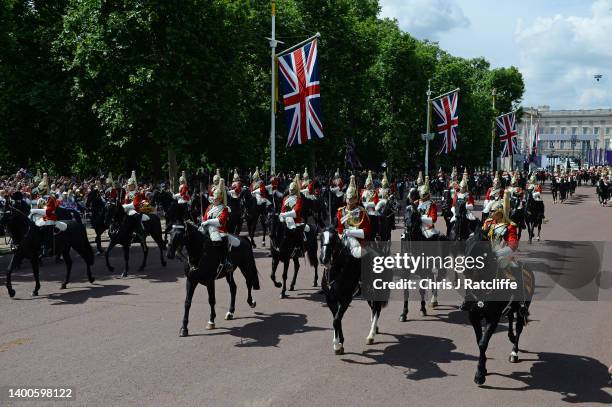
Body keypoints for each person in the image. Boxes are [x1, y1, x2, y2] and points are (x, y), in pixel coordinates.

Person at [201, 178, 233, 277]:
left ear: (220, 199)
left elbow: (220, 222)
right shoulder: (209, 207)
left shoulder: (224, 209)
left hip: (220, 230)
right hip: (208, 228)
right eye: (214, 199)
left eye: (217, 199)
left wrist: (208, 222)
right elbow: (205, 217)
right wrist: (204, 222)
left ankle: (225, 261)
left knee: (222, 239)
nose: (215, 200)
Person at [336, 175, 371, 258]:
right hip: (344, 240)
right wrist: (343, 235)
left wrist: (351, 232)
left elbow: (366, 231)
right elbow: (340, 230)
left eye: (352, 202)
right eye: (348, 202)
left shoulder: (362, 212)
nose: (349, 204)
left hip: (359, 241)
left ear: (356, 201)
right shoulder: (341, 212)